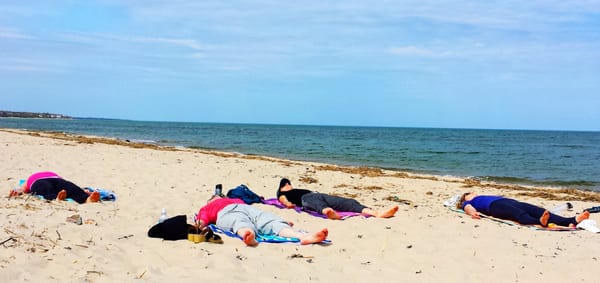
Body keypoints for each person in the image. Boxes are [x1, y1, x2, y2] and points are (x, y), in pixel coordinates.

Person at [195, 195, 328, 246]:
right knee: (238, 221)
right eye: (214, 197)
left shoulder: (234, 199)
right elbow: (202, 220)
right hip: (224, 213)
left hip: (245, 208)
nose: (216, 197)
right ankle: (248, 235)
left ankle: (303, 236)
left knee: (269, 220)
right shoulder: (207, 207)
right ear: (210, 201)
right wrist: (199, 225)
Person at [277, 178, 399, 220]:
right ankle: (329, 213)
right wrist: (289, 205)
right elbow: (284, 201)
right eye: (287, 184)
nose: (290, 186)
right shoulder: (282, 194)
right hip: (306, 199)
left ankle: (376, 213)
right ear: (284, 186)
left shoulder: (295, 189)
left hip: (319, 194)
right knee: (318, 204)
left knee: (349, 202)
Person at [456, 192, 590, 227]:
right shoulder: (468, 202)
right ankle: (539, 221)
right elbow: (467, 208)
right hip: (495, 207)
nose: (474, 193)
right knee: (518, 214)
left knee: (540, 210)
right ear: (466, 197)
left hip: (509, 201)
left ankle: (571, 220)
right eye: (470, 193)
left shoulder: (483, 196)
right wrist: (472, 213)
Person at [9, 171, 100, 204]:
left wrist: (83, 191)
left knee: (70, 187)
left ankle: (87, 199)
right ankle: (57, 198)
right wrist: (17, 191)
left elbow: (69, 186)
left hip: (56, 179)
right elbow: (22, 188)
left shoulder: (54, 175)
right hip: (38, 181)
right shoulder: (28, 180)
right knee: (45, 189)